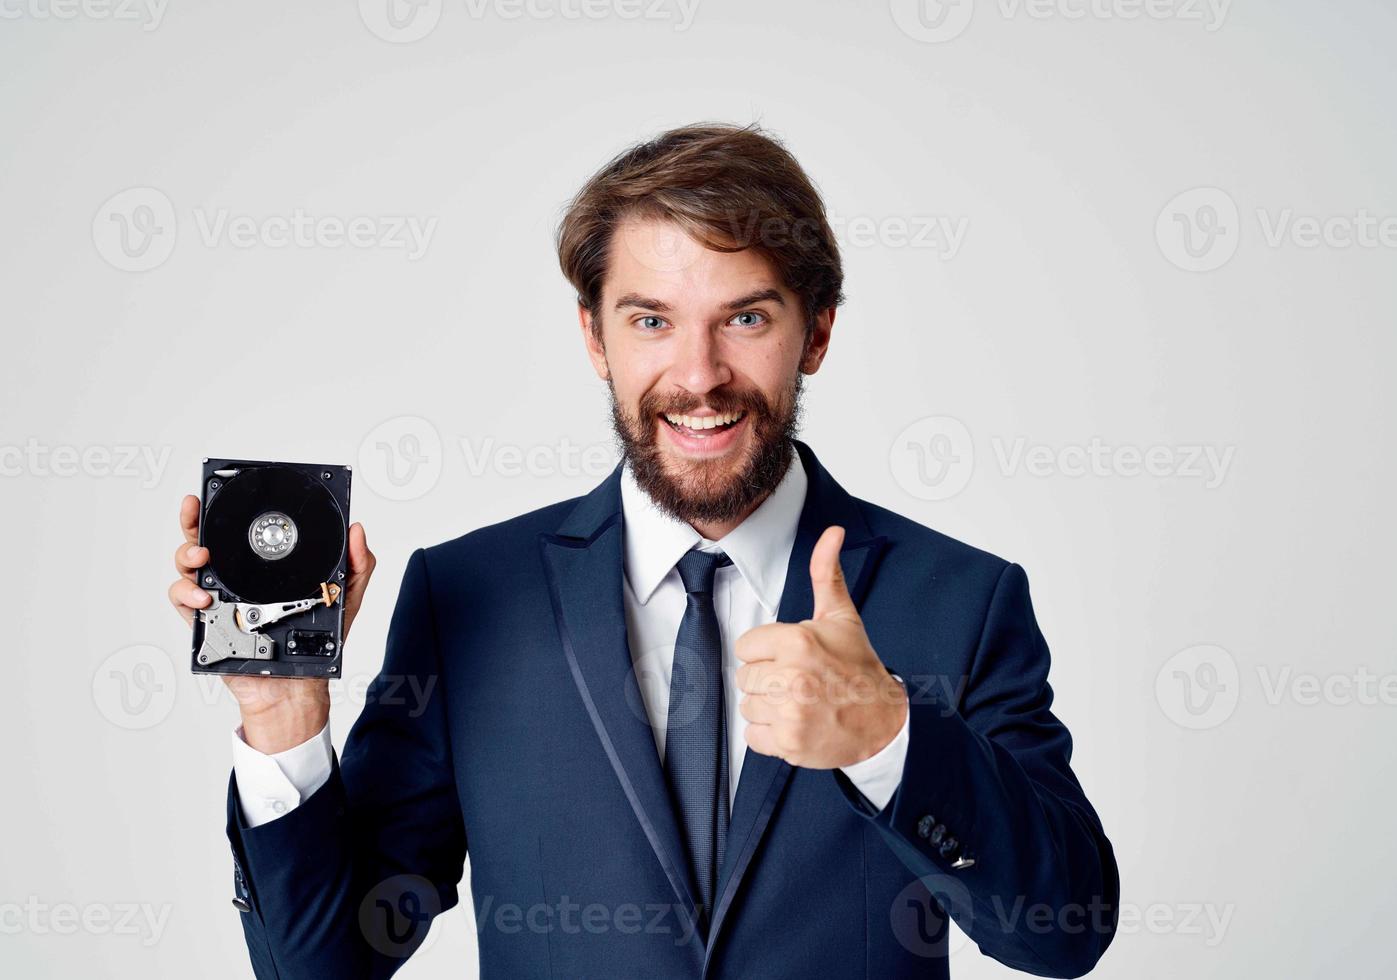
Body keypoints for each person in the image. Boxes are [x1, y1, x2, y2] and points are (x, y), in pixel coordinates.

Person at [168, 122, 1118, 979]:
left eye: (746, 318)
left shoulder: (960, 598)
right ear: (595, 337)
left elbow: (1062, 932)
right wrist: (285, 718)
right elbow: (326, 965)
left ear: (816, 332)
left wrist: (891, 740)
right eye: (651, 320)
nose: (698, 377)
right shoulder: (466, 598)